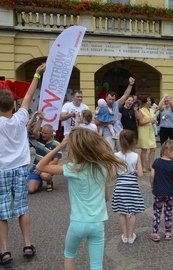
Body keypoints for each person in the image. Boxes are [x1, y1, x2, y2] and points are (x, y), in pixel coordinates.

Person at [36, 128, 127, 269]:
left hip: (78, 223)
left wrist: (59, 146)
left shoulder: (72, 168)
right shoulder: (102, 167)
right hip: (97, 223)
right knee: (96, 265)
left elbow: (41, 166)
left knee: (69, 255)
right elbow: (107, 197)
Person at [0, 63, 45, 265]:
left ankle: (5, 252)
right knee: (22, 208)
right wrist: (37, 73)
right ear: (13, 106)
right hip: (20, 168)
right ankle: (27, 244)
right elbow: (28, 96)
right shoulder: (20, 118)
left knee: (1, 213)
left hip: (1, 170)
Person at [112, 130, 144, 244]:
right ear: (133, 142)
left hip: (120, 186)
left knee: (122, 212)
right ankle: (131, 236)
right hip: (132, 186)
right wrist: (134, 170)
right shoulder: (136, 156)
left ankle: (125, 235)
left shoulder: (115, 156)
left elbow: (113, 174)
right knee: (133, 212)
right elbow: (140, 174)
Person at [150, 140, 173, 241]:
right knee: (168, 212)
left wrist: (152, 186)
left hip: (158, 191)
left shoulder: (156, 162)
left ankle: (155, 233)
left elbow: (152, 176)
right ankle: (168, 232)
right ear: (169, 152)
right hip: (169, 193)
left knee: (157, 212)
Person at [95, 77, 135, 151]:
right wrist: (108, 122)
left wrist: (130, 84)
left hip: (119, 131)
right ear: (106, 98)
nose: (111, 101)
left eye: (113, 99)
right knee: (109, 153)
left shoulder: (116, 104)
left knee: (123, 152)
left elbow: (125, 95)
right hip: (107, 133)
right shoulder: (101, 107)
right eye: (109, 99)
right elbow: (96, 122)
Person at [28, 111, 61, 193]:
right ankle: (38, 182)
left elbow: (55, 161)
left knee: (44, 175)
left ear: (51, 134)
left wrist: (41, 167)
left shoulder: (56, 144)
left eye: (45, 133)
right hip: (36, 167)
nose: (43, 134)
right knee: (30, 190)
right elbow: (35, 131)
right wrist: (40, 119)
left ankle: (49, 181)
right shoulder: (40, 138)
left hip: (47, 167)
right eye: (42, 132)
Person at [137, 96, 157, 172]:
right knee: (144, 149)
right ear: (145, 102)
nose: (150, 102)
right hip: (144, 130)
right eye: (148, 101)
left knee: (153, 148)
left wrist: (154, 121)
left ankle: (150, 165)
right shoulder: (141, 111)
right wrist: (150, 121)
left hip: (150, 130)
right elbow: (140, 122)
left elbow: (152, 119)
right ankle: (143, 166)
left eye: (150, 100)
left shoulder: (151, 110)